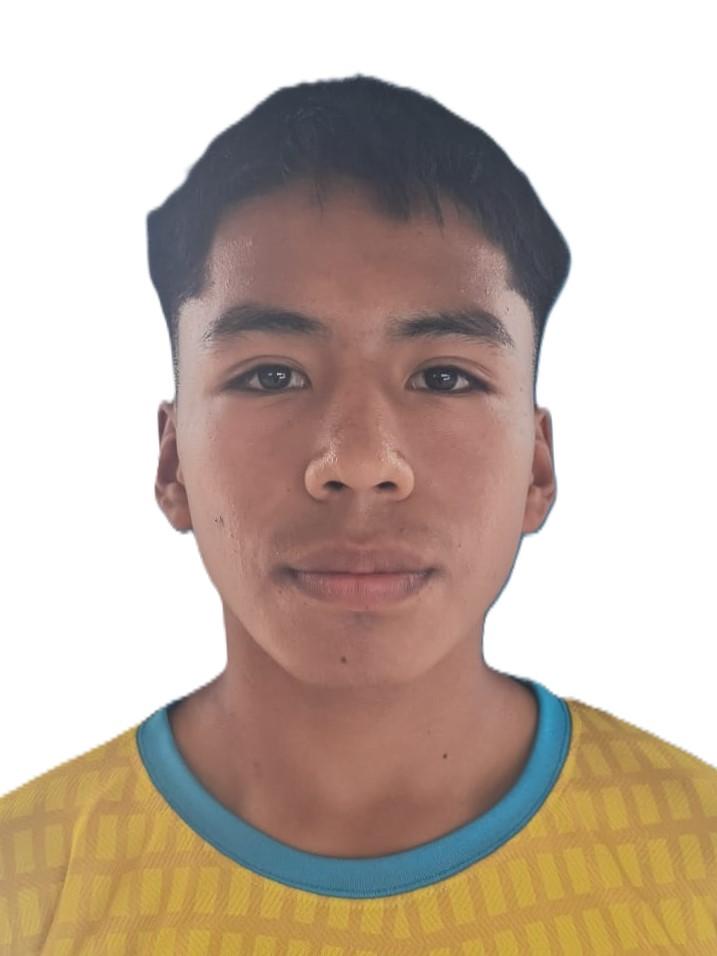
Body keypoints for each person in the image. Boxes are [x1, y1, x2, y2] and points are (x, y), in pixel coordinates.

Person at [2, 73, 715, 954]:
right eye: (271, 374)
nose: (359, 463)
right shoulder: (24, 884)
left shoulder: (695, 861)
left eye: (444, 377)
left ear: (536, 466)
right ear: (173, 458)